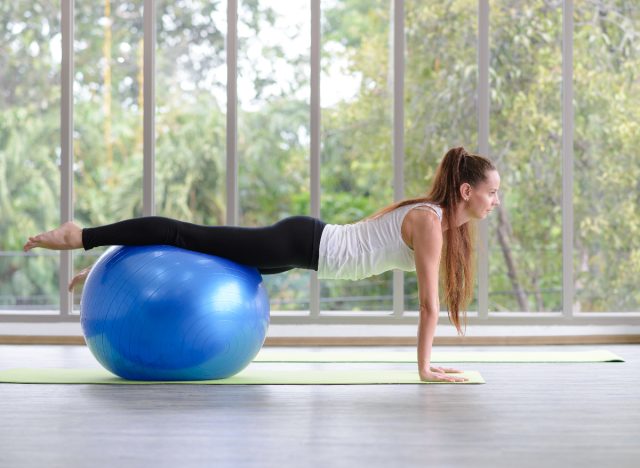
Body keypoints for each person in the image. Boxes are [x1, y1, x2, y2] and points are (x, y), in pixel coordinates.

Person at [23, 146, 500, 383]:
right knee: (183, 233)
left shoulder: (441, 222)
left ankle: (104, 274)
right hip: (300, 243)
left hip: (303, 251)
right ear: (466, 191)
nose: (495, 201)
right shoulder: (430, 221)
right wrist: (424, 368)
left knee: (204, 254)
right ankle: (80, 236)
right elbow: (428, 306)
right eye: (491, 192)